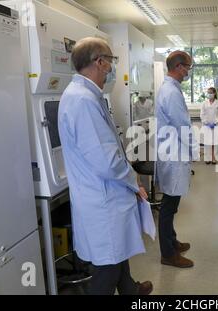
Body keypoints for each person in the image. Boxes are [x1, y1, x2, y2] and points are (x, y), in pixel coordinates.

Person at [58, 37, 152, 295]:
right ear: (100, 62)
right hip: (103, 199)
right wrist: (134, 181)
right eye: (111, 61)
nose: (112, 69)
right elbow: (107, 161)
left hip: (104, 194)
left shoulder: (86, 95)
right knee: (108, 266)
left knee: (117, 253)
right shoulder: (83, 101)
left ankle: (130, 291)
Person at [155, 50, 198, 268]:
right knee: (168, 207)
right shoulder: (170, 92)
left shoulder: (170, 89)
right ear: (179, 66)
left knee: (171, 205)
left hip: (172, 153)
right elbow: (182, 125)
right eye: (188, 67)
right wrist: (194, 150)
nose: (188, 72)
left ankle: (172, 241)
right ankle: (168, 254)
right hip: (173, 155)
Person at [200, 87, 218, 164]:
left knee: (214, 143)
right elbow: (202, 114)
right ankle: (207, 158)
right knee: (207, 142)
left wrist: (215, 122)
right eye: (208, 92)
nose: (209, 94)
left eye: (211, 92)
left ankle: (213, 158)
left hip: (215, 126)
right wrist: (206, 123)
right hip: (206, 126)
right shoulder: (204, 103)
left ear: (214, 93)